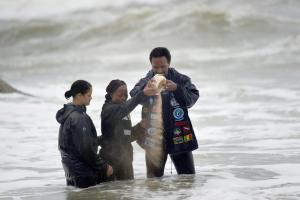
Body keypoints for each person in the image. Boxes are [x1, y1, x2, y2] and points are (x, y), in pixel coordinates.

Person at [130, 47, 200, 178]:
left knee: (188, 180)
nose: (159, 70)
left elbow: (191, 100)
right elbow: (133, 97)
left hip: (180, 138)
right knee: (153, 183)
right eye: (155, 67)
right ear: (151, 65)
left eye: (163, 66)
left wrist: (177, 89)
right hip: (154, 140)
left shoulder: (181, 79)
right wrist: (144, 92)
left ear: (169, 63)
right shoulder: (146, 82)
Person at [56, 80, 113, 188]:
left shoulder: (67, 115)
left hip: (71, 171)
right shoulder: (78, 118)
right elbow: (86, 150)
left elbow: (73, 144)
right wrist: (104, 167)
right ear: (79, 95)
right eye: (89, 95)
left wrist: (100, 139)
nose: (91, 97)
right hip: (83, 173)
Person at [99, 79, 158, 180]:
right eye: (120, 95)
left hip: (126, 161)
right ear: (110, 94)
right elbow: (124, 108)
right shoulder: (108, 110)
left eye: (125, 94)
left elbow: (125, 137)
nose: (123, 97)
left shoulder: (123, 110)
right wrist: (142, 93)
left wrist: (140, 127)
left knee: (127, 193)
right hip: (111, 162)